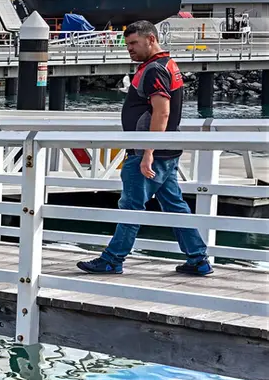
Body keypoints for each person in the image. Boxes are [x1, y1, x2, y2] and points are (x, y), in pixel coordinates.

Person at [77, 20, 212, 276]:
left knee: (131, 205)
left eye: (133, 43)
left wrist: (147, 152)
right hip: (166, 149)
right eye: (127, 44)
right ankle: (198, 259)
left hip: (148, 152)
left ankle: (112, 259)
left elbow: (162, 112)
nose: (129, 48)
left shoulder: (154, 70)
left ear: (150, 39)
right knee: (175, 205)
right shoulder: (166, 65)